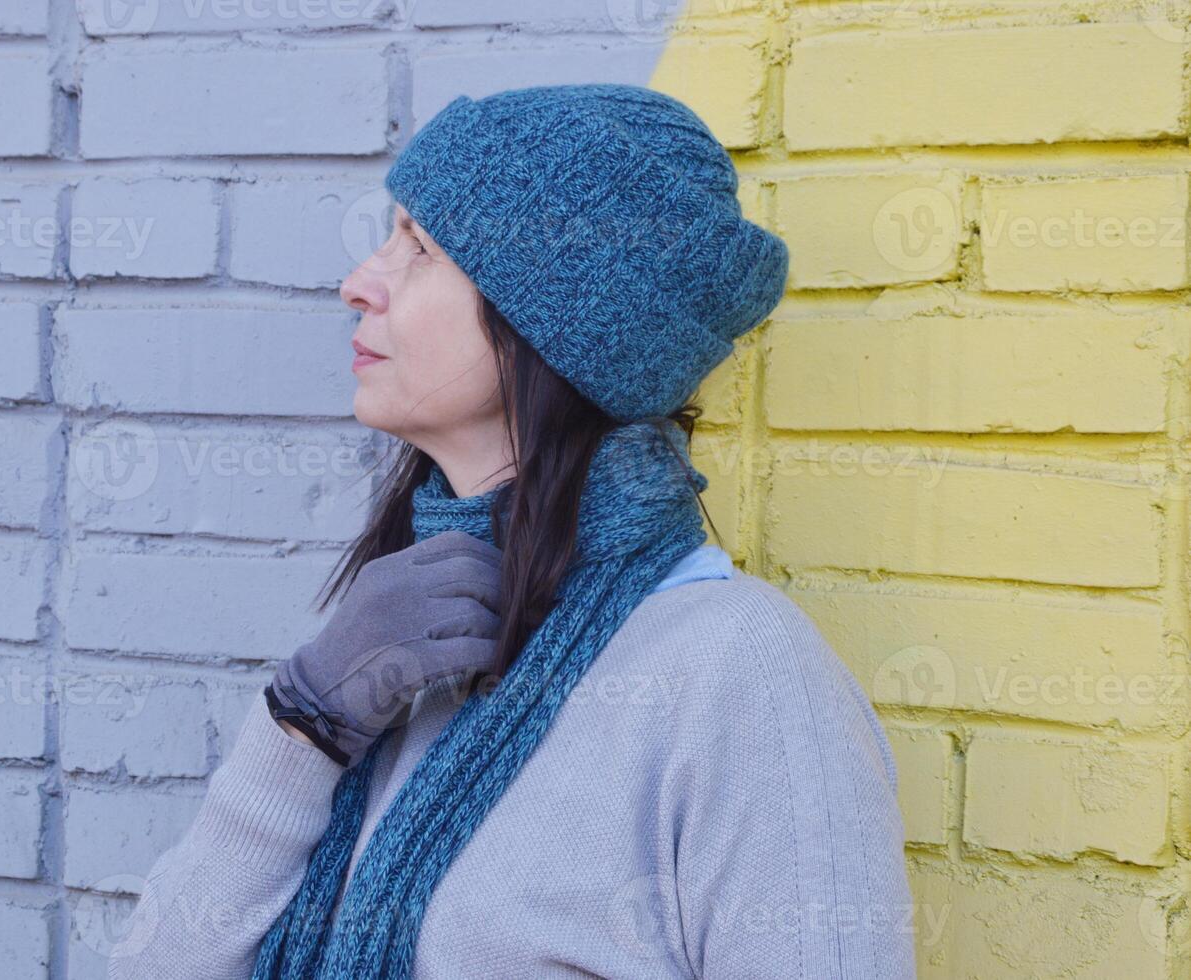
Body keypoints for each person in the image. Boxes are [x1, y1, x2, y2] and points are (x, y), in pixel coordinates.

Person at [108, 83, 916, 979]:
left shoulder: (743, 678)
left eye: (419, 247)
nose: (357, 283)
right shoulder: (401, 645)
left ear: (552, 323)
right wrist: (304, 724)